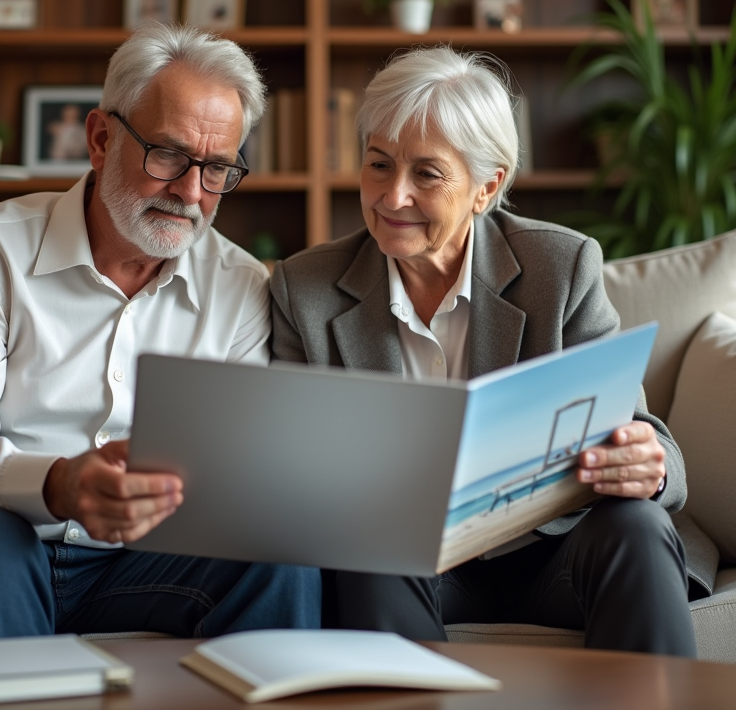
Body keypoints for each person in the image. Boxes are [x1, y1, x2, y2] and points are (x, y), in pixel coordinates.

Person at [0, 22, 321, 642]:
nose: (190, 192)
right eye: (169, 155)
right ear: (101, 138)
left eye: (216, 170)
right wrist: (56, 484)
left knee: (277, 554)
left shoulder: (238, 283)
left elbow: (232, 476)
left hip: (130, 568)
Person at [269, 46, 696, 656]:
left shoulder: (562, 267)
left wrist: (647, 468)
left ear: (485, 187)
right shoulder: (303, 289)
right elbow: (288, 460)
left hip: (555, 551)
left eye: (427, 174)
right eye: (379, 165)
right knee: (374, 535)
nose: (392, 197)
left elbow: (639, 433)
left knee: (636, 523)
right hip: (410, 567)